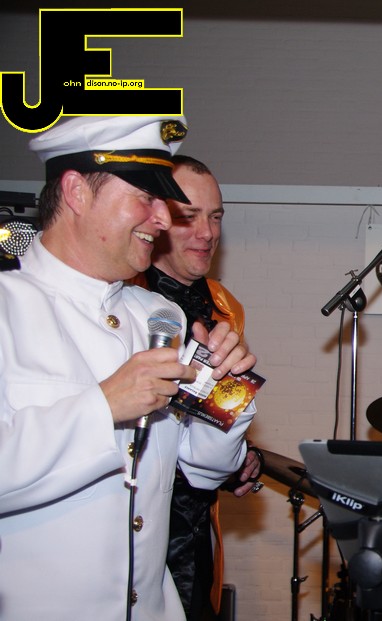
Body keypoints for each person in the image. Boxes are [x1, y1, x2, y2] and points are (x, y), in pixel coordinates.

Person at [0, 115, 256, 621]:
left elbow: (204, 470)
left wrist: (228, 393)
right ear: (76, 192)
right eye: (147, 197)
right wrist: (103, 407)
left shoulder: (161, 317)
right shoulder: (8, 306)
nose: (163, 219)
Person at [128, 154, 262, 620]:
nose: (207, 233)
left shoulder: (225, 307)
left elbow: (206, 417)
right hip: (131, 523)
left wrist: (239, 455)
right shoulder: (121, 298)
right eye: (190, 216)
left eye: (216, 217)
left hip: (195, 526)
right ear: (158, 217)